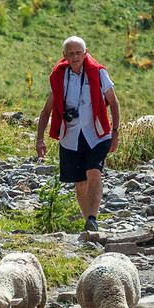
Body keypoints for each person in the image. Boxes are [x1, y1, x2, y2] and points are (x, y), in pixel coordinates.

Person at [34, 33, 121, 240]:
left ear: (85, 53)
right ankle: (88, 223)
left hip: (97, 133)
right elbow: (46, 111)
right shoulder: (59, 76)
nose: (75, 57)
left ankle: (92, 217)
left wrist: (115, 133)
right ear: (64, 55)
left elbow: (114, 102)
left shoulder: (98, 73)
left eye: (78, 53)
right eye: (71, 53)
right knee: (80, 183)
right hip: (70, 136)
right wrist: (40, 139)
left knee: (94, 173)